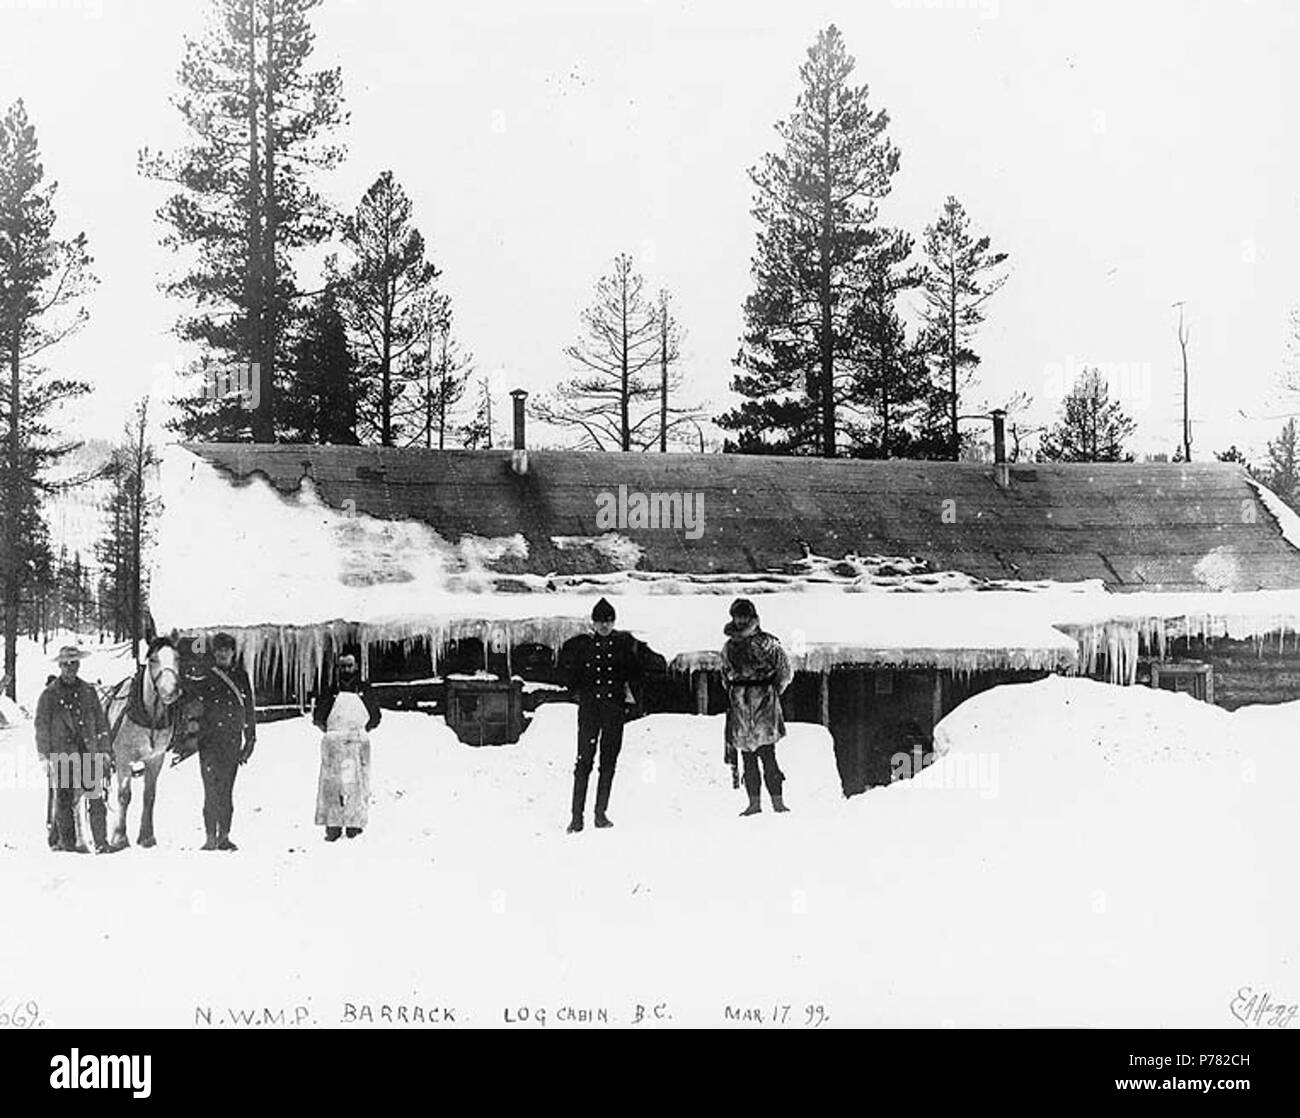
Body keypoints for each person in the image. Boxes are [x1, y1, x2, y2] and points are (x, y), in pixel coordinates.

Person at [557, 597, 649, 834]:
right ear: (593, 623)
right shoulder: (583, 647)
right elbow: (570, 676)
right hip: (589, 712)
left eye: (608, 621)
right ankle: (576, 818)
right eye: (600, 622)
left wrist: (626, 697)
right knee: (583, 764)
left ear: (614, 622)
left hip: (613, 713)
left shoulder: (623, 647)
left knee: (608, 764)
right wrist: (579, 693)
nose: (604, 626)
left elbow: (637, 673)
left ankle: (600, 814)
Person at [34, 647, 113, 853]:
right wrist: (44, 756)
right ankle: (67, 844)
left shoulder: (88, 691)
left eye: (74, 663)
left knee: (96, 799)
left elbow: (101, 722)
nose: (71, 668)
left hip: (88, 753)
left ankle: (101, 843)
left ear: (79, 665)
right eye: (66, 664)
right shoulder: (49, 695)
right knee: (64, 800)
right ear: (60, 666)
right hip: (61, 755)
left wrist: (104, 750)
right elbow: (41, 726)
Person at [721, 598, 794, 817]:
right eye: (737, 616)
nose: (741, 620)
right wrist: (737, 696)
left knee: (768, 755)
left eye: (745, 616)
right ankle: (753, 804)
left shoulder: (768, 643)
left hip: (764, 704)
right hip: (740, 706)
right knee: (747, 758)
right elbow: (725, 674)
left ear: (753, 618)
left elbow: (785, 672)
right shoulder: (728, 646)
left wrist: (769, 694)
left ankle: (778, 802)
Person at [195, 632, 256, 851]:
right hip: (209, 742)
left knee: (226, 791)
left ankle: (225, 835)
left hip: (231, 742)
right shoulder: (206, 675)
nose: (222, 653)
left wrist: (250, 741)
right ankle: (210, 836)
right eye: (218, 649)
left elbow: (249, 709)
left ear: (232, 652)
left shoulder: (241, 676)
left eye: (226, 649)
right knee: (210, 790)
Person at [313, 650, 381, 841]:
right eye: (342, 666)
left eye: (349, 665)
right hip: (334, 744)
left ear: (356, 667)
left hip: (357, 743)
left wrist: (359, 732)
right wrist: (333, 733)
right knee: (332, 784)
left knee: (355, 784)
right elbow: (318, 717)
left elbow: (375, 717)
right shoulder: (329, 690)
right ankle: (333, 826)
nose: (346, 669)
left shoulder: (364, 689)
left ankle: (354, 824)